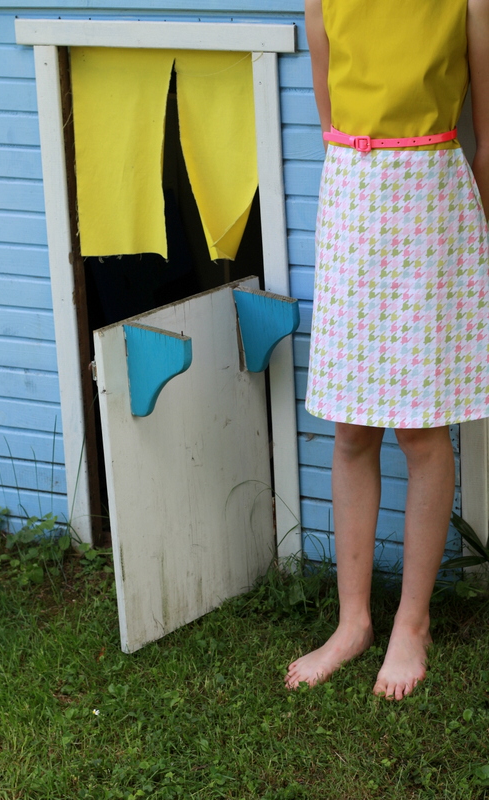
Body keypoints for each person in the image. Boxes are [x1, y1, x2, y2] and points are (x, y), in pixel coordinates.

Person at [285, 0, 489, 700]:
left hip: (432, 201)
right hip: (354, 198)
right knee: (351, 428)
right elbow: (330, 119)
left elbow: (485, 135)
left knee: (422, 430)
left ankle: (413, 622)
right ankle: (353, 623)